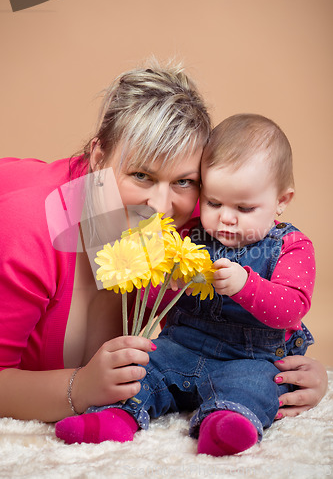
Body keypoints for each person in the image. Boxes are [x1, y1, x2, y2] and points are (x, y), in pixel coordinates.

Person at [0, 63, 327, 426]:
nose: (160, 205)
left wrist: (291, 372)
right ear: (99, 158)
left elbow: (268, 291)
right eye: (141, 175)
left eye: (184, 181)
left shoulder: (194, 222)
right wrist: (79, 388)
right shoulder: (29, 232)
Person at [55, 114, 319, 456]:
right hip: (179, 347)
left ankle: (224, 425)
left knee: (256, 387)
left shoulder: (290, 246)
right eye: (213, 202)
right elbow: (149, 296)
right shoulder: (188, 233)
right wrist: (165, 280)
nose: (225, 217)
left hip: (249, 358)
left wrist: (245, 285)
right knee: (139, 371)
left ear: (281, 201)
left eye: (244, 207)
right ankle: (113, 420)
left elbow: (292, 308)